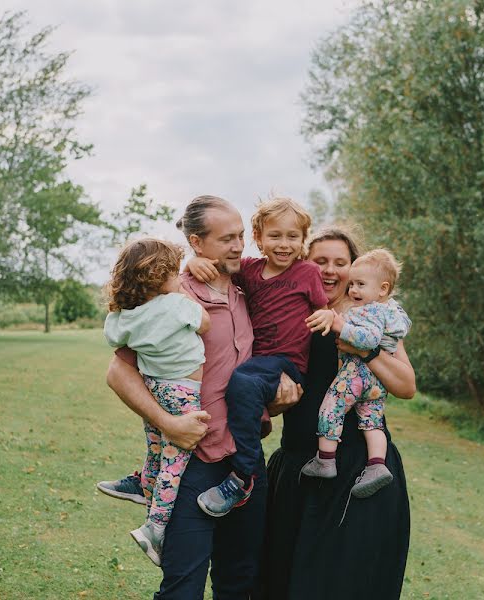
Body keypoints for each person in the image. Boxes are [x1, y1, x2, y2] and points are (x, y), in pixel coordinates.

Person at [102, 195, 301, 599]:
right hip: (192, 464)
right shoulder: (173, 297)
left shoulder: (251, 290)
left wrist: (279, 399)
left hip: (245, 463)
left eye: (241, 236)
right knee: (182, 585)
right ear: (197, 242)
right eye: (227, 238)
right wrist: (168, 423)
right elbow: (118, 371)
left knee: (240, 580)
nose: (238, 246)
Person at [261, 227, 416, 600]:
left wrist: (365, 350)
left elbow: (406, 386)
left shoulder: (371, 320)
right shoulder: (290, 316)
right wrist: (275, 404)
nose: (330, 271)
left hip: (358, 469)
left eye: (340, 263)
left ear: (355, 270)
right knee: (279, 583)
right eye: (320, 262)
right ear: (304, 266)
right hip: (298, 467)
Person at [190, 196, 328, 518]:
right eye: (275, 236)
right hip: (258, 362)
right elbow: (218, 269)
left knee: (242, 384)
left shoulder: (307, 272)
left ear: (303, 240)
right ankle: (243, 459)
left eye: (293, 236)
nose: (284, 244)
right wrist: (191, 263)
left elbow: (323, 308)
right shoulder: (250, 271)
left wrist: (325, 317)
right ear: (259, 238)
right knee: (242, 390)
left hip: (288, 364)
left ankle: (242, 474)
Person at [102, 238, 211, 566]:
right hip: (183, 392)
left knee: (154, 449)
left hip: (153, 388)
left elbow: (114, 338)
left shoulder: (124, 317)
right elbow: (205, 323)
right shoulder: (176, 305)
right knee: (174, 462)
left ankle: (145, 494)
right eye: (174, 273)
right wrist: (181, 292)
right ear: (160, 276)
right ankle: (155, 528)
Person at [301, 249, 411, 498]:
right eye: (352, 284)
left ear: (382, 289)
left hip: (356, 374)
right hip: (376, 384)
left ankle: (325, 460)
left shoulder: (369, 311)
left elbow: (369, 339)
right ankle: (376, 465)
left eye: (360, 284)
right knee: (372, 422)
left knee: (331, 406)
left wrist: (341, 325)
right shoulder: (393, 312)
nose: (353, 291)